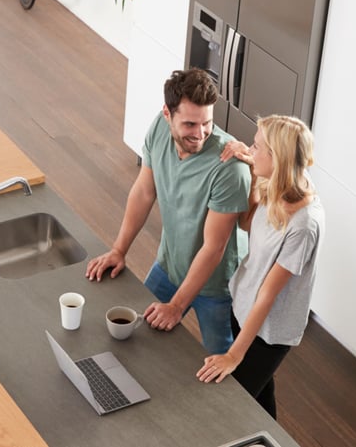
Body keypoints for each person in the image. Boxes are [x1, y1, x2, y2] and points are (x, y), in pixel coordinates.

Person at [85, 68, 251, 354]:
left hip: (217, 286)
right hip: (170, 264)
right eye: (190, 124)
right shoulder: (159, 130)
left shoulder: (230, 168)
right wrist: (119, 250)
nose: (200, 134)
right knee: (134, 335)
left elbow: (214, 248)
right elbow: (144, 191)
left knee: (219, 365)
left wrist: (176, 306)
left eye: (207, 123)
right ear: (167, 114)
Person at [196, 115, 325, 420]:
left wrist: (233, 355)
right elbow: (247, 224)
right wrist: (254, 175)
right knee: (259, 396)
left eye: (256, 147)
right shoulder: (279, 183)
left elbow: (268, 295)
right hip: (243, 305)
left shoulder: (304, 224)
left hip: (270, 331)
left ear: (277, 158)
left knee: (233, 406)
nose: (250, 149)